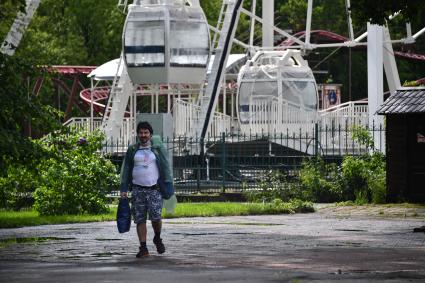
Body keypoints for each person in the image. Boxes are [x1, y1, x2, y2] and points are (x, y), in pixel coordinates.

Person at [120, 121, 173, 258]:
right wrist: (124, 188)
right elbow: (126, 169)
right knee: (139, 219)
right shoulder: (132, 150)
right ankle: (143, 248)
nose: (143, 135)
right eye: (141, 132)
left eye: (146, 132)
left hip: (154, 189)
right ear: (138, 134)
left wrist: (168, 185)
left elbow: (166, 168)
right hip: (137, 190)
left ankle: (157, 237)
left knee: (156, 217)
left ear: (150, 134)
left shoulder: (157, 149)